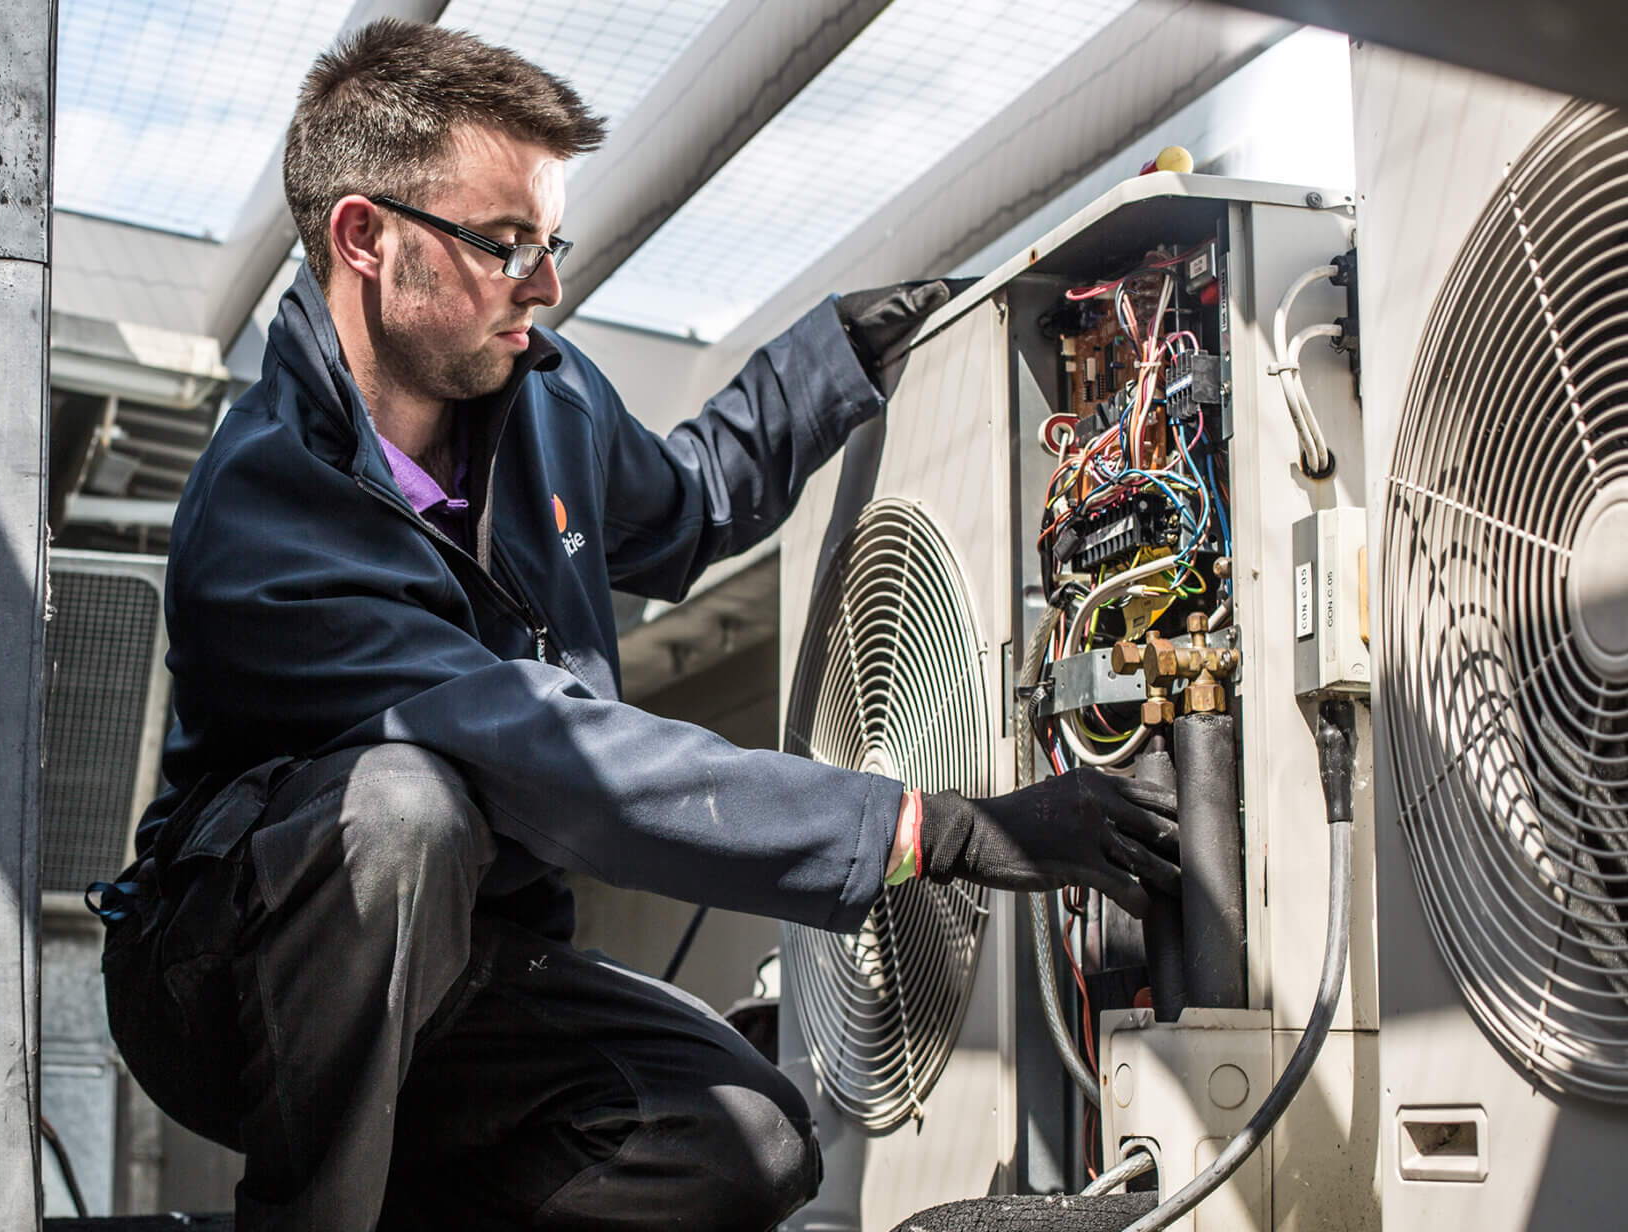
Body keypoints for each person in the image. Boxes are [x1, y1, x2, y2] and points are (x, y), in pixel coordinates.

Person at [93, 19, 1179, 1231]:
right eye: (506, 246)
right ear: (364, 237)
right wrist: (941, 827)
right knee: (405, 807)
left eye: (551, 243)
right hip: (234, 976)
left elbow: (684, 507)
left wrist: (827, 360)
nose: (546, 286)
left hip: (463, 966)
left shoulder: (540, 392)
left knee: (749, 1144)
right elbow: (553, 757)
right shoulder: (265, 511)